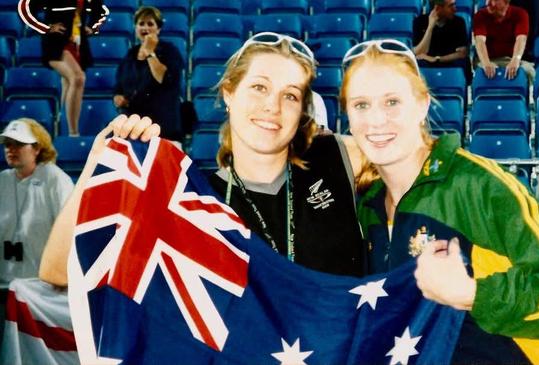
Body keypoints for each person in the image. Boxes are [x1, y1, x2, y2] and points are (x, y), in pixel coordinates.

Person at [339, 39, 539, 364]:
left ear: (422, 104)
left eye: (392, 101)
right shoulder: (366, 208)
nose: (377, 120)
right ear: (347, 117)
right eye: (361, 105)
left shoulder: (476, 185)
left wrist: (472, 293)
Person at [39, 32, 367, 287]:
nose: (273, 106)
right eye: (258, 87)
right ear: (229, 93)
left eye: (291, 95)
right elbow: (58, 270)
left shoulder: (339, 157)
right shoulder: (192, 203)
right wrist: (97, 168)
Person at [18, 0, 108, 136]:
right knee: (78, 78)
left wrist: (92, 26)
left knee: (68, 83)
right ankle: (73, 133)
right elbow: (24, 7)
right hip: (56, 43)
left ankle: (61, 129)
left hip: (78, 44)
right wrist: (46, 28)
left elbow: (102, 11)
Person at [0, 118, 74, 285]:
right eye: (7, 144)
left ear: (37, 148)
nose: (11, 149)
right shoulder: (3, 180)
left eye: (18, 144)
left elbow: (69, 231)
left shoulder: (55, 179)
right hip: (4, 282)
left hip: (42, 286)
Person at [113, 6, 184, 142]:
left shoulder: (169, 50)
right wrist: (117, 97)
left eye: (150, 24)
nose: (145, 28)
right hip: (135, 128)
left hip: (164, 127)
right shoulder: (130, 54)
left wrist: (150, 54)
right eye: (141, 24)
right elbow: (119, 85)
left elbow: (164, 78)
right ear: (135, 28)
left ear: (158, 29)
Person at [473, 0, 535, 80]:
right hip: (488, 59)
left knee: (529, 71)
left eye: (494, 0)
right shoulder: (480, 15)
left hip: (510, 59)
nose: (489, 3)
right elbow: (480, 41)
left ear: (506, 2)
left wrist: (515, 60)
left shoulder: (521, 14)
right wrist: (486, 62)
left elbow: (521, 39)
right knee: (482, 72)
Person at [412, 0, 471, 82]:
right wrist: (430, 27)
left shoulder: (459, 22)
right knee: (418, 64)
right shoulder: (419, 22)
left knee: (462, 63)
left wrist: (437, 59)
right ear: (438, 8)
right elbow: (419, 52)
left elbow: (462, 54)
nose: (455, 9)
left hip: (450, 62)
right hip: (428, 64)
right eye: (451, 6)